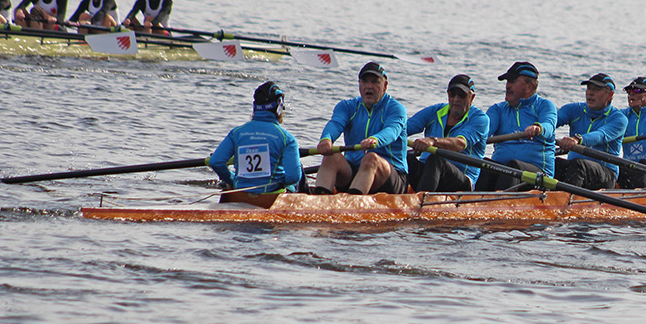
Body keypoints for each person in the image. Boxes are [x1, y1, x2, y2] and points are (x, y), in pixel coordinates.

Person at [313, 61, 409, 195]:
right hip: (354, 172)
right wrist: (326, 139)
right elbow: (335, 124)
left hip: (390, 177)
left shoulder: (396, 109)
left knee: (371, 158)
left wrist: (375, 139)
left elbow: (392, 131)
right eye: (364, 81)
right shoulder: (347, 106)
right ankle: (319, 201)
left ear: (385, 85)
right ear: (359, 84)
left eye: (375, 82)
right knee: (331, 156)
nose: (369, 86)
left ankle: (352, 205)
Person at [208, 81, 303, 196]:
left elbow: (216, 162)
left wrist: (233, 180)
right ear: (279, 108)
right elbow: (294, 177)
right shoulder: (287, 138)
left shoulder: (237, 133)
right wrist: (278, 183)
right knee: (300, 171)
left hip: (240, 194)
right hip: (271, 197)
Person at [475, 61, 557, 192]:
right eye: (507, 81)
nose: (507, 86)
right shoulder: (498, 110)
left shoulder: (544, 106)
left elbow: (549, 126)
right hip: (503, 171)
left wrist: (538, 128)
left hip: (539, 176)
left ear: (530, 87)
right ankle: (471, 203)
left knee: (514, 166)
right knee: (484, 164)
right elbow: (482, 131)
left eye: (512, 81)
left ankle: (500, 205)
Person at [407, 74, 490, 192]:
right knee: (403, 156)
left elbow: (460, 144)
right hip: (428, 173)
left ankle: (422, 202)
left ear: (471, 97)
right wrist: (379, 136)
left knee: (436, 159)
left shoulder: (480, 119)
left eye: (461, 95)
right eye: (452, 94)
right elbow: (403, 129)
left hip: (461, 179)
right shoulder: (435, 111)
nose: (456, 99)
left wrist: (433, 141)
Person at [555, 73, 627, 189]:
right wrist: (539, 128)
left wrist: (577, 139)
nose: (590, 92)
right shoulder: (574, 109)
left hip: (606, 174)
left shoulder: (618, 119)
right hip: (576, 171)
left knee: (579, 164)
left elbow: (601, 135)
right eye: (589, 88)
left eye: (597, 89)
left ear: (610, 95)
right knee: (553, 163)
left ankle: (566, 202)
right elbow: (552, 122)